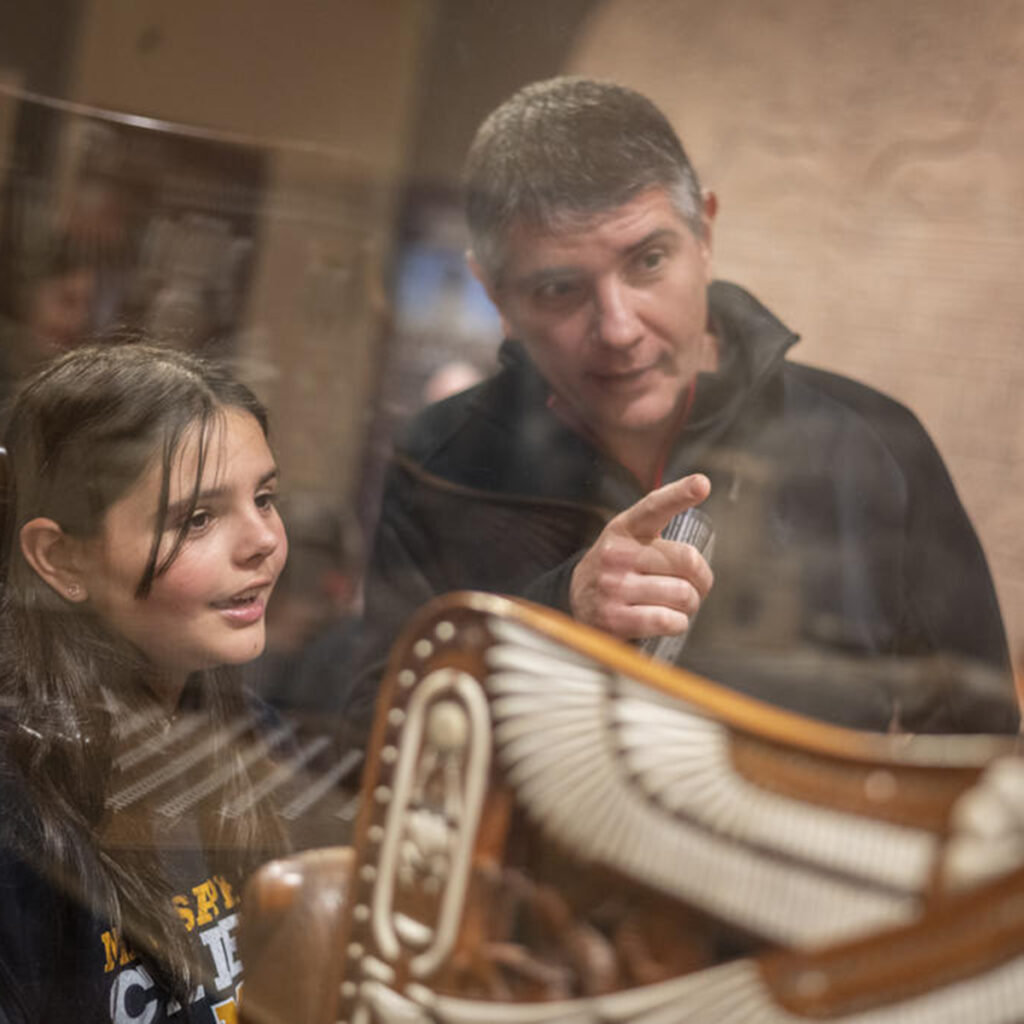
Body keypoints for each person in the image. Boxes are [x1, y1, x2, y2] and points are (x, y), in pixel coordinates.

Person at [346, 76, 1018, 739]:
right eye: (558, 289)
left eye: (647, 261)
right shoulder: (438, 458)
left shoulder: (874, 444)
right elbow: (371, 730)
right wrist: (559, 611)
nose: (618, 329)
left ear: (705, 236)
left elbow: (978, 740)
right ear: (495, 295)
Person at [0, 344, 289, 1021]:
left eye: (265, 499)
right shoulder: (17, 804)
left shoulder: (257, 735)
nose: (264, 541)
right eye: (198, 518)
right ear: (60, 558)